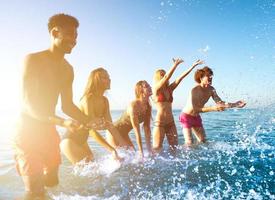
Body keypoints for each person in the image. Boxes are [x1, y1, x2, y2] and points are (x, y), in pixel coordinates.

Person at [13, 14, 93, 199]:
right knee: (35, 191)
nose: (74, 41)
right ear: (55, 32)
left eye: (76, 37)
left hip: (49, 131)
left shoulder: (67, 69)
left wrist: (90, 121)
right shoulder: (32, 60)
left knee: (51, 182)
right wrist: (63, 123)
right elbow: (28, 105)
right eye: (70, 35)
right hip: (27, 131)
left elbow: (67, 105)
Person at [60, 67, 126, 164]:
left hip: (82, 141)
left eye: (109, 77)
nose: (109, 79)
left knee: (94, 175)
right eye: (105, 77)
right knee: (91, 172)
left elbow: (110, 126)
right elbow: (91, 130)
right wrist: (112, 150)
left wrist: (124, 145)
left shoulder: (105, 101)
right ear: (96, 81)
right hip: (70, 140)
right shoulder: (88, 99)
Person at [179, 66, 246, 145]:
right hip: (186, 116)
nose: (210, 77)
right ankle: (180, 156)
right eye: (208, 76)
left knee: (203, 141)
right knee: (189, 142)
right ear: (201, 78)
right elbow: (196, 109)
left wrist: (236, 104)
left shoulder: (211, 89)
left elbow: (220, 103)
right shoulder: (195, 90)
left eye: (211, 76)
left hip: (196, 117)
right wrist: (213, 108)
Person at [152, 58, 204, 152]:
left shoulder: (170, 89)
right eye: (162, 74)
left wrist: (192, 66)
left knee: (174, 149)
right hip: (160, 123)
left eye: (164, 73)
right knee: (157, 149)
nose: (165, 75)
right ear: (158, 78)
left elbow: (180, 78)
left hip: (171, 122)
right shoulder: (156, 89)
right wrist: (175, 65)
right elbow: (166, 77)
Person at [108, 80, 152, 158]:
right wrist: (141, 153)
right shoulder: (133, 106)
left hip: (124, 134)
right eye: (147, 86)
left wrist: (150, 151)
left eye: (149, 85)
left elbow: (147, 128)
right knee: (119, 159)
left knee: (132, 156)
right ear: (140, 90)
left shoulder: (148, 107)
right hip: (114, 131)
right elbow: (136, 131)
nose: (150, 87)